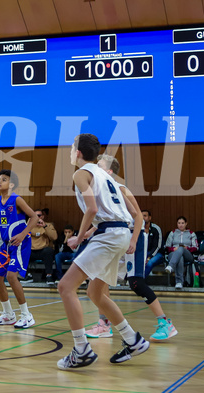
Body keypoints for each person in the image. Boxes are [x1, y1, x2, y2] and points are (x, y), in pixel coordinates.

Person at [56, 134, 149, 370]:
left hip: (108, 236)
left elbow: (92, 208)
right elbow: (118, 211)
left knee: (66, 287)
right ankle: (133, 340)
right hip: (120, 234)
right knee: (96, 294)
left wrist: (78, 236)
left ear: (77, 152)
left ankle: (81, 350)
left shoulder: (81, 173)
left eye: (71, 147)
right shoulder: (104, 175)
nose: (69, 151)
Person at [84, 155, 177, 342]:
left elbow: (138, 217)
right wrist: (90, 232)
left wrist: (134, 240)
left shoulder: (120, 188)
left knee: (135, 282)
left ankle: (165, 324)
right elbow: (112, 218)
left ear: (109, 171)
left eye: (100, 166)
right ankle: (104, 325)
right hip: (116, 237)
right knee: (99, 279)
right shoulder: (102, 190)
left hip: (132, 236)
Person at [0, 169, 39, 329]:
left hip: (20, 243)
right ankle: (8, 314)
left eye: (3, 179)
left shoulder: (17, 200)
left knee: (11, 276)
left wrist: (23, 234)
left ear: (11, 185)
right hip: (6, 244)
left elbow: (34, 217)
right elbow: (0, 218)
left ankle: (26, 315)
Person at [164, 217, 198, 289]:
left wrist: (187, 248)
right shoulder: (172, 233)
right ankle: (179, 282)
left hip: (187, 254)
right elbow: (167, 246)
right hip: (174, 253)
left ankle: (171, 266)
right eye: (179, 223)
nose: (181, 225)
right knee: (180, 258)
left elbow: (196, 247)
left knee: (181, 248)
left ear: (186, 224)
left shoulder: (191, 233)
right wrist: (173, 249)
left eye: (182, 223)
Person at [26, 210, 57, 284]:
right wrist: (29, 223)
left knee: (49, 251)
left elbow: (54, 237)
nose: (37, 217)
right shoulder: (29, 225)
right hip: (32, 250)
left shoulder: (48, 225)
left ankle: (49, 276)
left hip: (43, 250)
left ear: (42, 216)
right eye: (35, 216)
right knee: (23, 251)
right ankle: (27, 275)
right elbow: (23, 235)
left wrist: (45, 226)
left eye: (39, 216)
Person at [143, 210, 164, 277]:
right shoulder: (137, 228)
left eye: (145, 216)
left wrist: (149, 257)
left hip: (156, 253)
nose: (143, 218)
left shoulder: (156, 228)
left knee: (149, 263)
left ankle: (140, 282)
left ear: (149, 218)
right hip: (143, 253)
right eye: (141, 216)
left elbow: (158, 246)